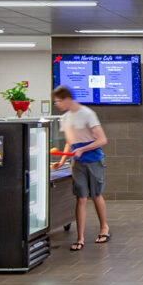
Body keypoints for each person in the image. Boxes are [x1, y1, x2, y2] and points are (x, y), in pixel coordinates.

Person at [53, 85, 110, 249]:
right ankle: (80, 238)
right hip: (77, 162)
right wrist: (62, 161)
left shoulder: (87, 113)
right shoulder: (64, 118)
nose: (57, 104)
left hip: (93, 160)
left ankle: (103, 227)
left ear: (67, 99)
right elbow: (69, 142)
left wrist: (83, 149)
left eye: (58, 101)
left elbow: (102, 140)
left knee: (96, 195)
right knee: (81, 197)